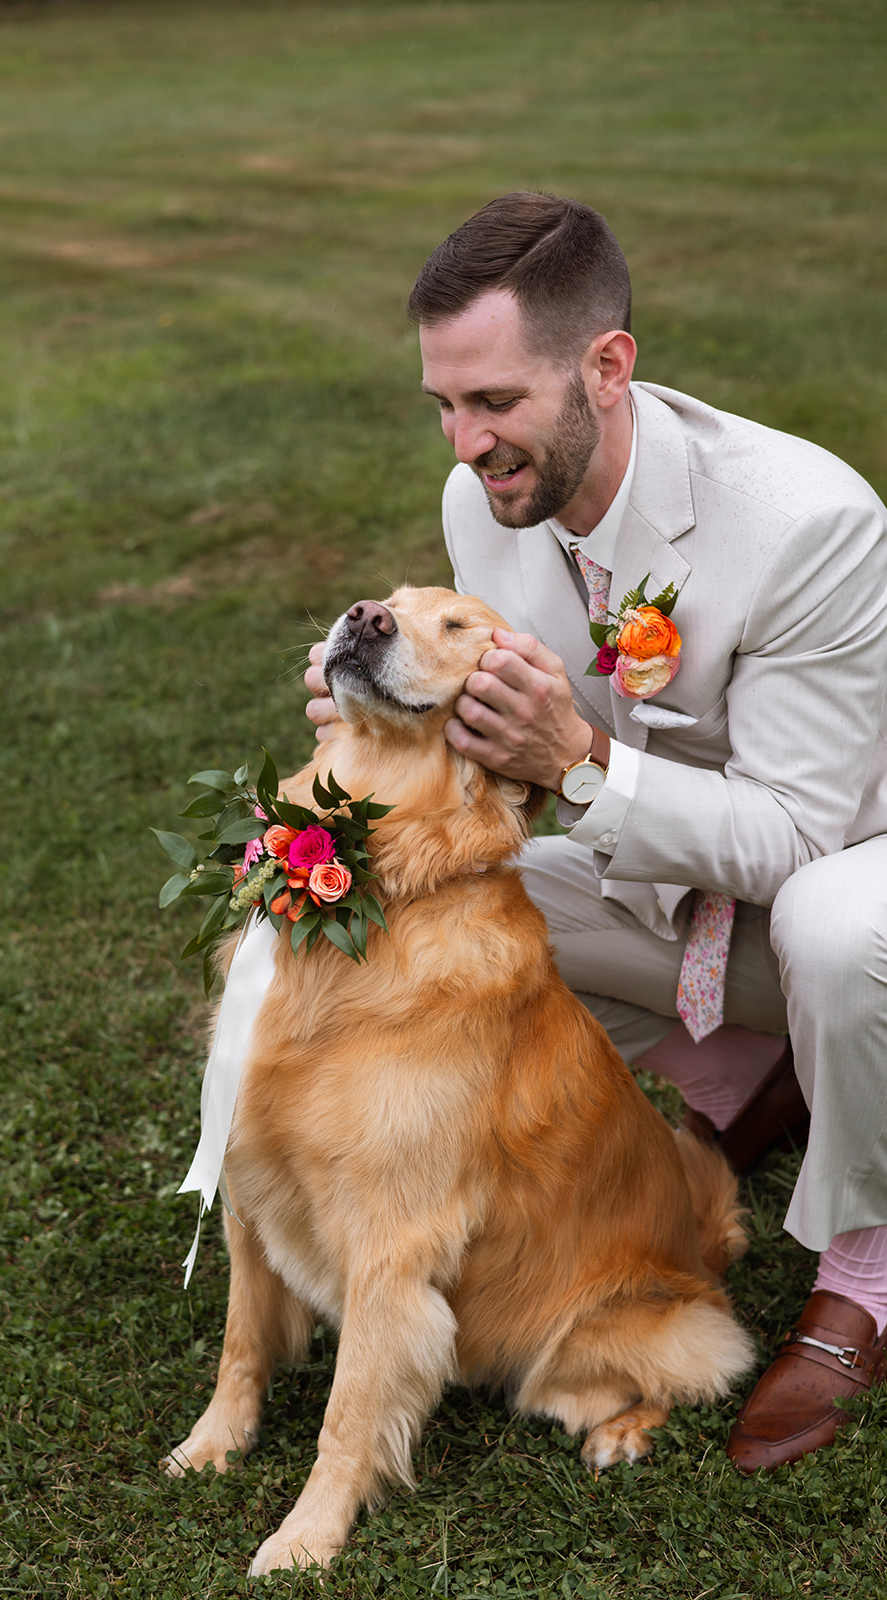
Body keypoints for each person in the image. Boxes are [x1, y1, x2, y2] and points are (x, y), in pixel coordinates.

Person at [304, 193, 887, 1472]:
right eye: (442, 408)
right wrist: (376, 702)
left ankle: (866, 1269)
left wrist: (575, 762)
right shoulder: (489, 502)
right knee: (442, 910)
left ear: (606, 367)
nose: (465, 445)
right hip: (675, 895)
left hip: (849, 871)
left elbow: (801, 833)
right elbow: (486, 749)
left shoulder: (808, 524)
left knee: (837, 937)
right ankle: (747, 1077)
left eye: (493, 402)